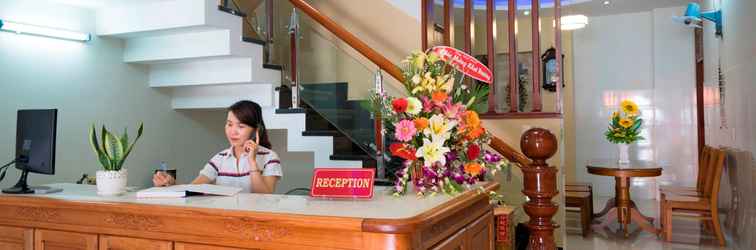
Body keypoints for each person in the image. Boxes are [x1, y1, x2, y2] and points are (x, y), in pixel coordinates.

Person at [152, 100, 282, 193]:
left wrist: (252, 162)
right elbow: (194, 188)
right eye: (229, 124)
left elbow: (264, 196)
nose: (233, 131)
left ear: (256, 131)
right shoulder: (219, 158)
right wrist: (171, 183)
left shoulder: (270, 157)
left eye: (241, 126)